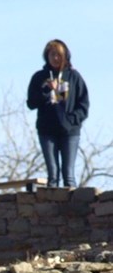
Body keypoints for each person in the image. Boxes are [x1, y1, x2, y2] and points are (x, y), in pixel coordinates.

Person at [27, 39, 89, 188]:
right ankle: (52, 208)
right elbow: (31, 103)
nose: (55, 58)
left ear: (65, 56)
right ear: (47, 56)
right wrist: (47, 90)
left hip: (70, 131)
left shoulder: (74, 77)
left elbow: (84, 105)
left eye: (58, 55)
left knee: (68, 174)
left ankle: (72, 208)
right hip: (47, 131)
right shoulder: (39, 77)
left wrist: (72, 120)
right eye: (52, 54)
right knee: (53, 174)